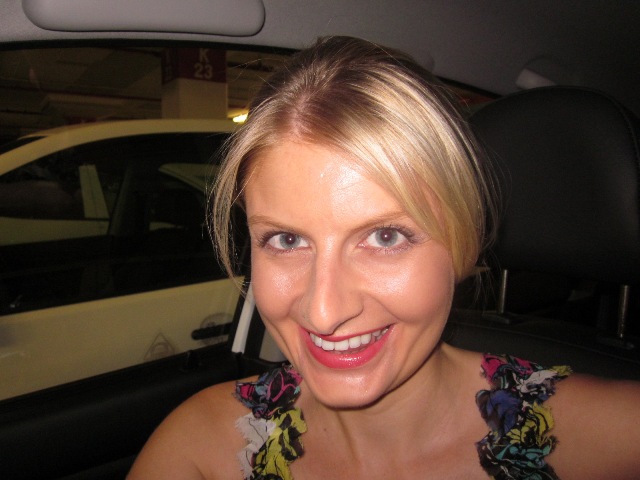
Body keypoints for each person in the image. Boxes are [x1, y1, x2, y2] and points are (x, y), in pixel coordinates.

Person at [128, 36, 640, 479]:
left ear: (463, 243)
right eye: (286, 240)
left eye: (386, 237)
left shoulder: (614, 440)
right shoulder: (203, 446)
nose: (323, 312)